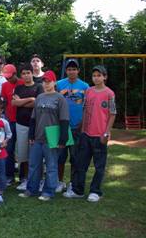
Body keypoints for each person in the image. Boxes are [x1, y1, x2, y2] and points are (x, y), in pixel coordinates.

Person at [64, 65, 116, 202]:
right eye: (94, 75)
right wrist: (82, 130)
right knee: (81, 164)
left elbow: (112, 114)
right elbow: (85, 110)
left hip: (99, 135)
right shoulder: (89, 91)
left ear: (105, 77)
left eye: (99, 75)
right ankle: (78, 190)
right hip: (86, 134)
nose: (96, 78)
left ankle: (95, 191)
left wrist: (106, 133)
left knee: (99, 166)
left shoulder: (109, 93)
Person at [19, 70, 69, 201]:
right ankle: (31, 189)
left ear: (54, 82)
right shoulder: (40, 97)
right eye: (44, 81)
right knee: (34, 165)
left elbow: (64, 120)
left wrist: (63, 139)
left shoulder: (60, 98)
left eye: (49, 81)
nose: (46, 84)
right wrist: (31, 135)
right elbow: (34, 118)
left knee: (51, 166)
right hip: (38, 137)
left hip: (51, 139)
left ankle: (48, 191)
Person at [56, 59, 89, 193]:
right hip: (62, 126)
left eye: (74, 69)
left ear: (78, 71)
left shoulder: (85, 86)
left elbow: (87, 107)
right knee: (60, 157)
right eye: (69, 69)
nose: (71, 71)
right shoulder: (59, 84)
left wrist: (83, 123)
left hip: (77, 126)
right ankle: (59, 182)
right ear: (66, 71)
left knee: (75, 157)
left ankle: (73, 182)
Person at [12, 63, 43, 191]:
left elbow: (38, 103)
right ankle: (24, 179)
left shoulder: (39, 87)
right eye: (23, 73)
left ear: (32, 73)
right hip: (21, 124)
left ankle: (38, 179)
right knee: (22, 154)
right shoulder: (18, 88)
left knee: (36, 154)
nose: (26, 75)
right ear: (21, 75)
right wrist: (30, 98)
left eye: (28, 73)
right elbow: (14, 103)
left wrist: (22, 102)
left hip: (36, 125)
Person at [0, 64, 24, 185]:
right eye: (6, 77)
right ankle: (9, 175)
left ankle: (23, 176)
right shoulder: (4, 85)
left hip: (22, 120)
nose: (8, 79)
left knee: (22, 149)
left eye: (10, 77)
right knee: (8, 148)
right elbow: (4, 102)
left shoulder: (22, 83)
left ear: (15, 74)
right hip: (9, 120)